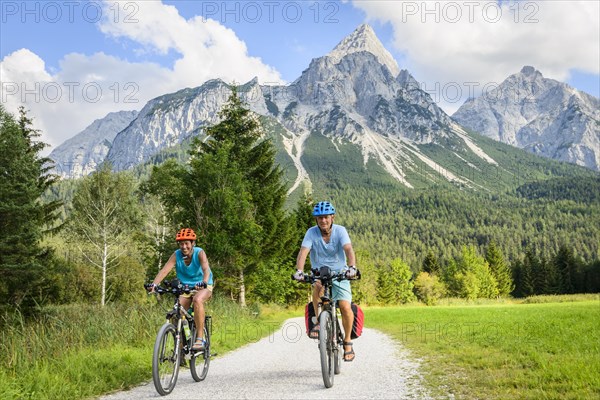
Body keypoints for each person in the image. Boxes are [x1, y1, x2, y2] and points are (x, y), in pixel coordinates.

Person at [293, 201, 358, 362]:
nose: (323, 221)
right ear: (316, 219)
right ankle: (318, 322)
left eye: (326, 217)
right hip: (319, 273)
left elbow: (348, 249)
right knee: (317, 286)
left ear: (332, 217)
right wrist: (299, 271)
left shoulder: (340, 231)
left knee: (344, 306)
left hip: (340, 274)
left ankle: (347, 341)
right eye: (320, 218)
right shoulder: (311, 233)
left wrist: (352, 268)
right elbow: (303, 252)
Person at [147, 228, 214, 351]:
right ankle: (180, 349)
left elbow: (206, 269)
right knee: (176, 312)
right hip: (186, 287)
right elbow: (165, 270)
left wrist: (204, 282)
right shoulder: (176, 254)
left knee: (198, 300)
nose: (184, 246)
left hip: (203, 285)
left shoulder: (200, 253)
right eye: (181, 243)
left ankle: (200, 338)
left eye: (187, 243)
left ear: (192, 243)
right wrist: (154, 285)